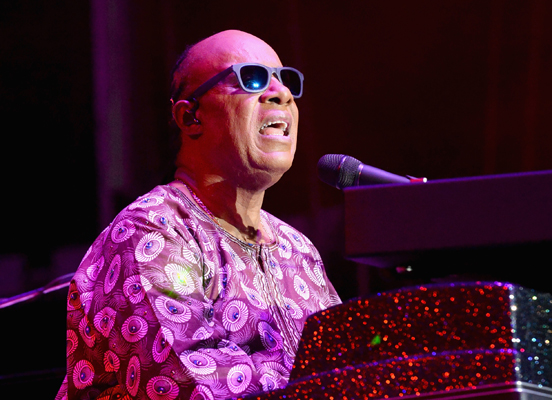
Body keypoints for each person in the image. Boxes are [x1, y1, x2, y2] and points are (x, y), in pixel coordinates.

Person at [56, 29, 341, 400]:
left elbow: (346, 365)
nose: (281, 93)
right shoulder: (153, 231)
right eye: (252, 78)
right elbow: (189, 384)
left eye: (285, 80)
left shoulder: (298, 249)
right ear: (190, 116)